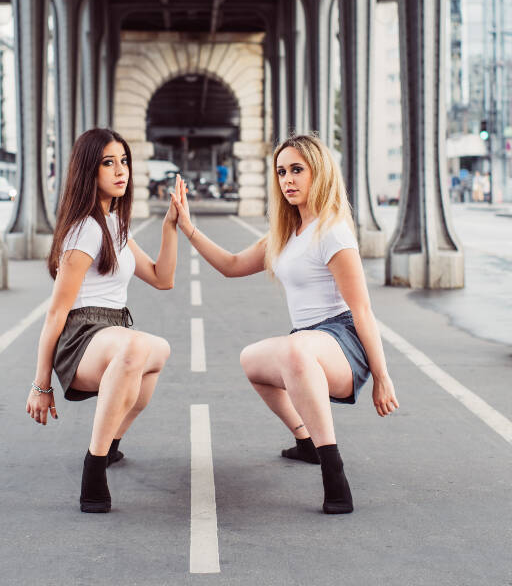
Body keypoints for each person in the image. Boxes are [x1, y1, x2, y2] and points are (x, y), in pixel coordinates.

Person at [171, 134, 398, 514]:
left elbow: (362, 309)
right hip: (306, 344)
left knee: (295, 349)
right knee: (252, 360)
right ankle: (305, 440)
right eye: (281, 172)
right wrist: (189, 227)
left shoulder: (333, 232)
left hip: (342, 342)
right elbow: (231, 266)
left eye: (297, 170)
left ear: (319, 173)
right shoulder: (283, 234)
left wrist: (382, 376)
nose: (288, 180)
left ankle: (333, 471)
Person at [26, 127, 181, 514]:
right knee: (135, 347)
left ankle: (111, 444)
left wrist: (170, 226)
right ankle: (93, 467)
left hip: (112, 331)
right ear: (88, 171)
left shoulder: (116, 226)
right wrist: (40, 385)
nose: (120, 170)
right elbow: (57, 312)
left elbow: (163, 279)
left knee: (157, 350)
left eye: (124, 161)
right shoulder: (85, 230)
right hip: (80, 338)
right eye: (108, 163)